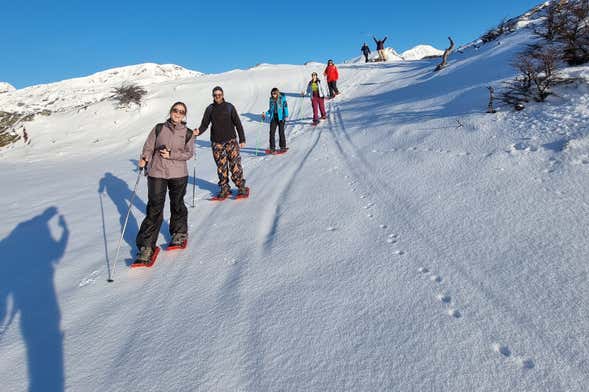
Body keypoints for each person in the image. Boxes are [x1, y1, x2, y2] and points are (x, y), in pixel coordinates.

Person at [135, 102, 195, 264]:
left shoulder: (188, 133)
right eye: (175, 110)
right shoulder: (159, 128)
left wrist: (171, 154)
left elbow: (189, 154)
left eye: (181, 112)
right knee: (154, 208)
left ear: (184, 115)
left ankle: (179, 233)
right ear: (171, 111)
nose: (178, 113)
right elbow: (149, 146)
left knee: (177, 204)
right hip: (157, 172)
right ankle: (146, 246)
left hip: (178, 174)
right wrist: (144, 158)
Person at [194, 86, 248, 200]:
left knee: (235, 165)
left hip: (231, 141)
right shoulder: (210, 109)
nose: (217, 96)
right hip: (216, 142)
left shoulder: (229, 107)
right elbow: (205, 124)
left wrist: (242, 139)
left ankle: (240, 186)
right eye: (215, 95)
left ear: (223, 95)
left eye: (219, 94)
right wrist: (198, 132)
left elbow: (238, 123)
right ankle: (224, 188)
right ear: (213, 96)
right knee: (221, 167)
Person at [261, 87, 289, 153]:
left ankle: (282, 147)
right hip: (273, 118)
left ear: (277, 93)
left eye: (275, 94)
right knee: (271, 132)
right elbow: (270, 110)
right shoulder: (271, 100)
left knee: (281, 132)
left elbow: (285, 107)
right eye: (272, 94)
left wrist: (286, 115)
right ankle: (272, 147)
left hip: (281, 118)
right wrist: (265, 113)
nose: (273, 95)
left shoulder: (282, 98)